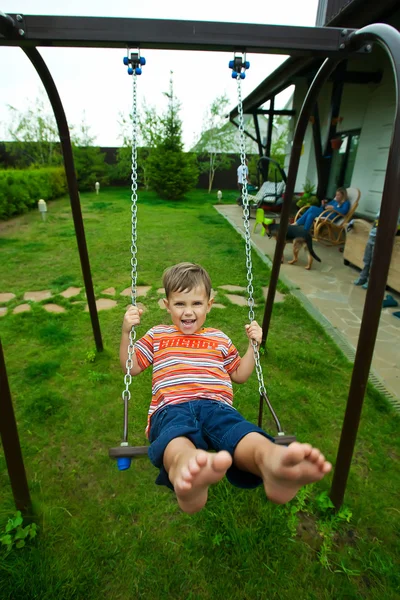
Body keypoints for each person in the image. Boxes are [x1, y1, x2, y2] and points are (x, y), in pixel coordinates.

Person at [120, 262, 331, 514]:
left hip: (215, 406)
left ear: (209, 304)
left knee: (239, 432)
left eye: (196, 303)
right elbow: (131, 367)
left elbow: (240, 374)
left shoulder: (219, 338)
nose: (188, 312)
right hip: (171, 407)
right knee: (175, 440)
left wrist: (253, 346)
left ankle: (272, 463)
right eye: (180, 304)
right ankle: (188, 475)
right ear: (167, 305)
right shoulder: (157, 334)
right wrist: (126, 332)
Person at [354, 210, 400, 289]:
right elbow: (376, 222)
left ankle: (371, 281)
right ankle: (363, 277)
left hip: (380, 239)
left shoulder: (395, 210)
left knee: (374, 262)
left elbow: (395, 227)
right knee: (367, 259)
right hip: (372, 236)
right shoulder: (381, 208)